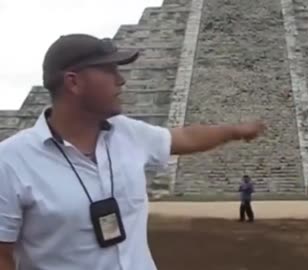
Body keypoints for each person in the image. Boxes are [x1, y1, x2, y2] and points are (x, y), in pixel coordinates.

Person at [0, 34, 266, 270]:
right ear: (74, 82)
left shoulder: (128, 133)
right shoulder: (10, 161)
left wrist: (235, 130)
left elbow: (184, 137)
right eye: (109, 70)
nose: (121, 80)